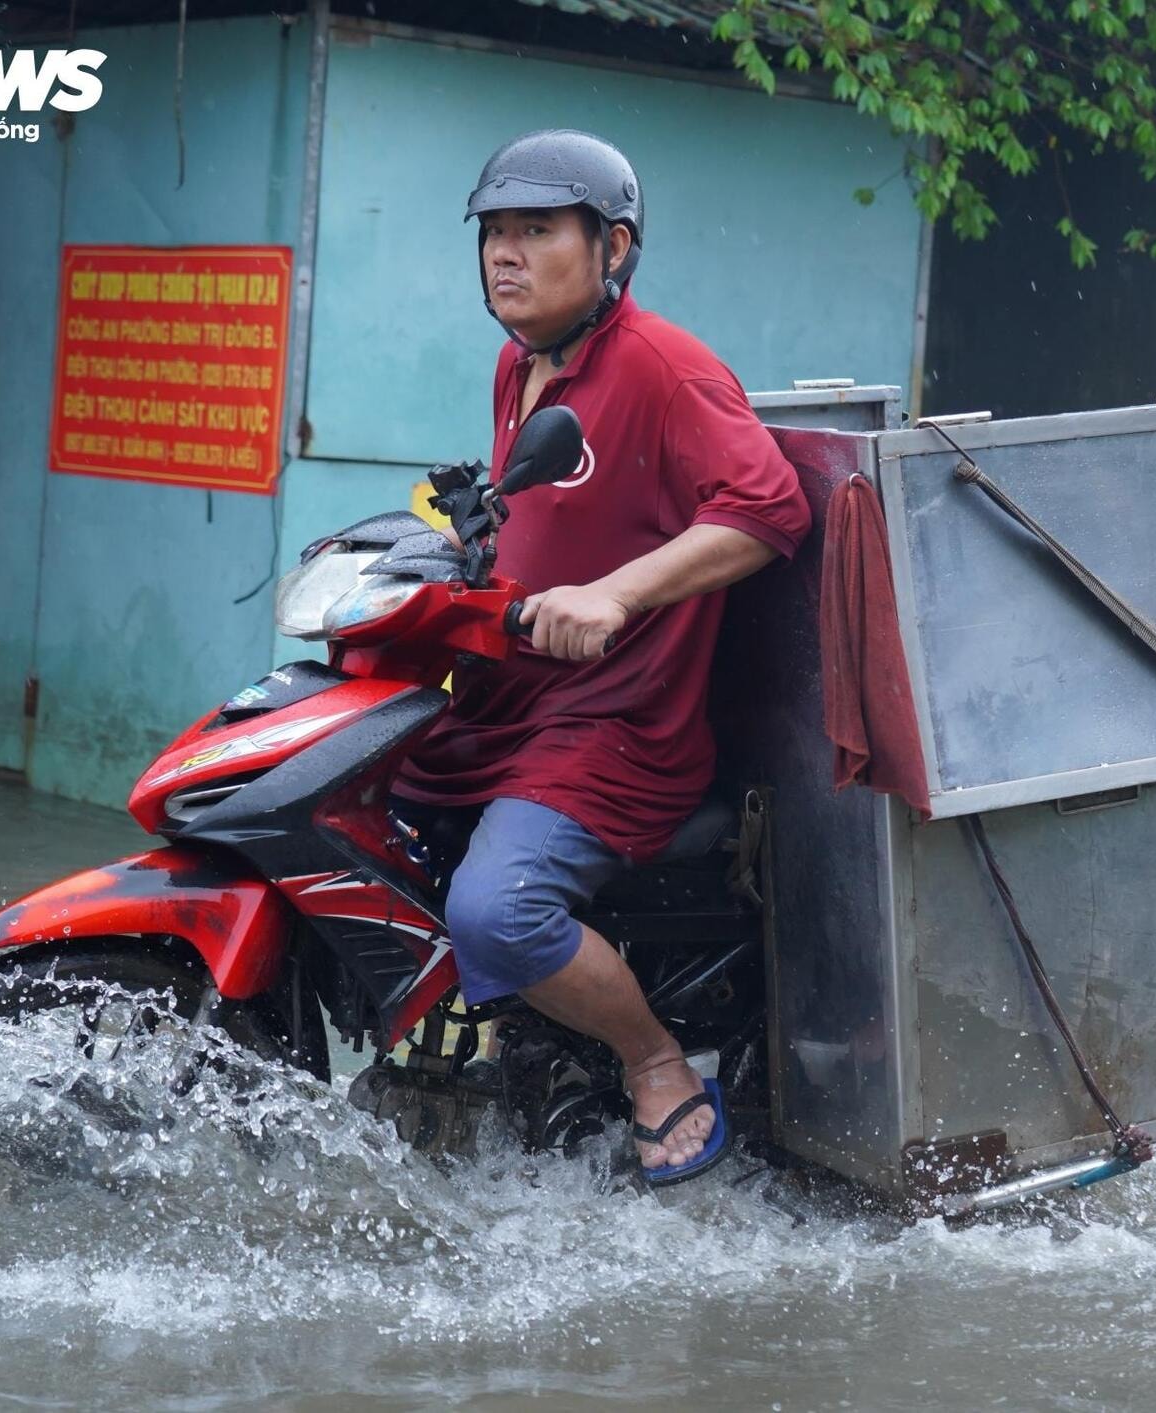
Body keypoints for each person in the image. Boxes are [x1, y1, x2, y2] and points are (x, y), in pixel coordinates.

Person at [393, 130, 811, 1183]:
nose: (506, 254)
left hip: (615, 728)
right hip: (514, 702)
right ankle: (481, 1043)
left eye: (537, 231)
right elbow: (541, 511)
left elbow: (770, 507)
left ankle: (655, 1063)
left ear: (613, 248)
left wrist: (618, 595)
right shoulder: (521, 362)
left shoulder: (666, 370)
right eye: (495, 232)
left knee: (500, 907)